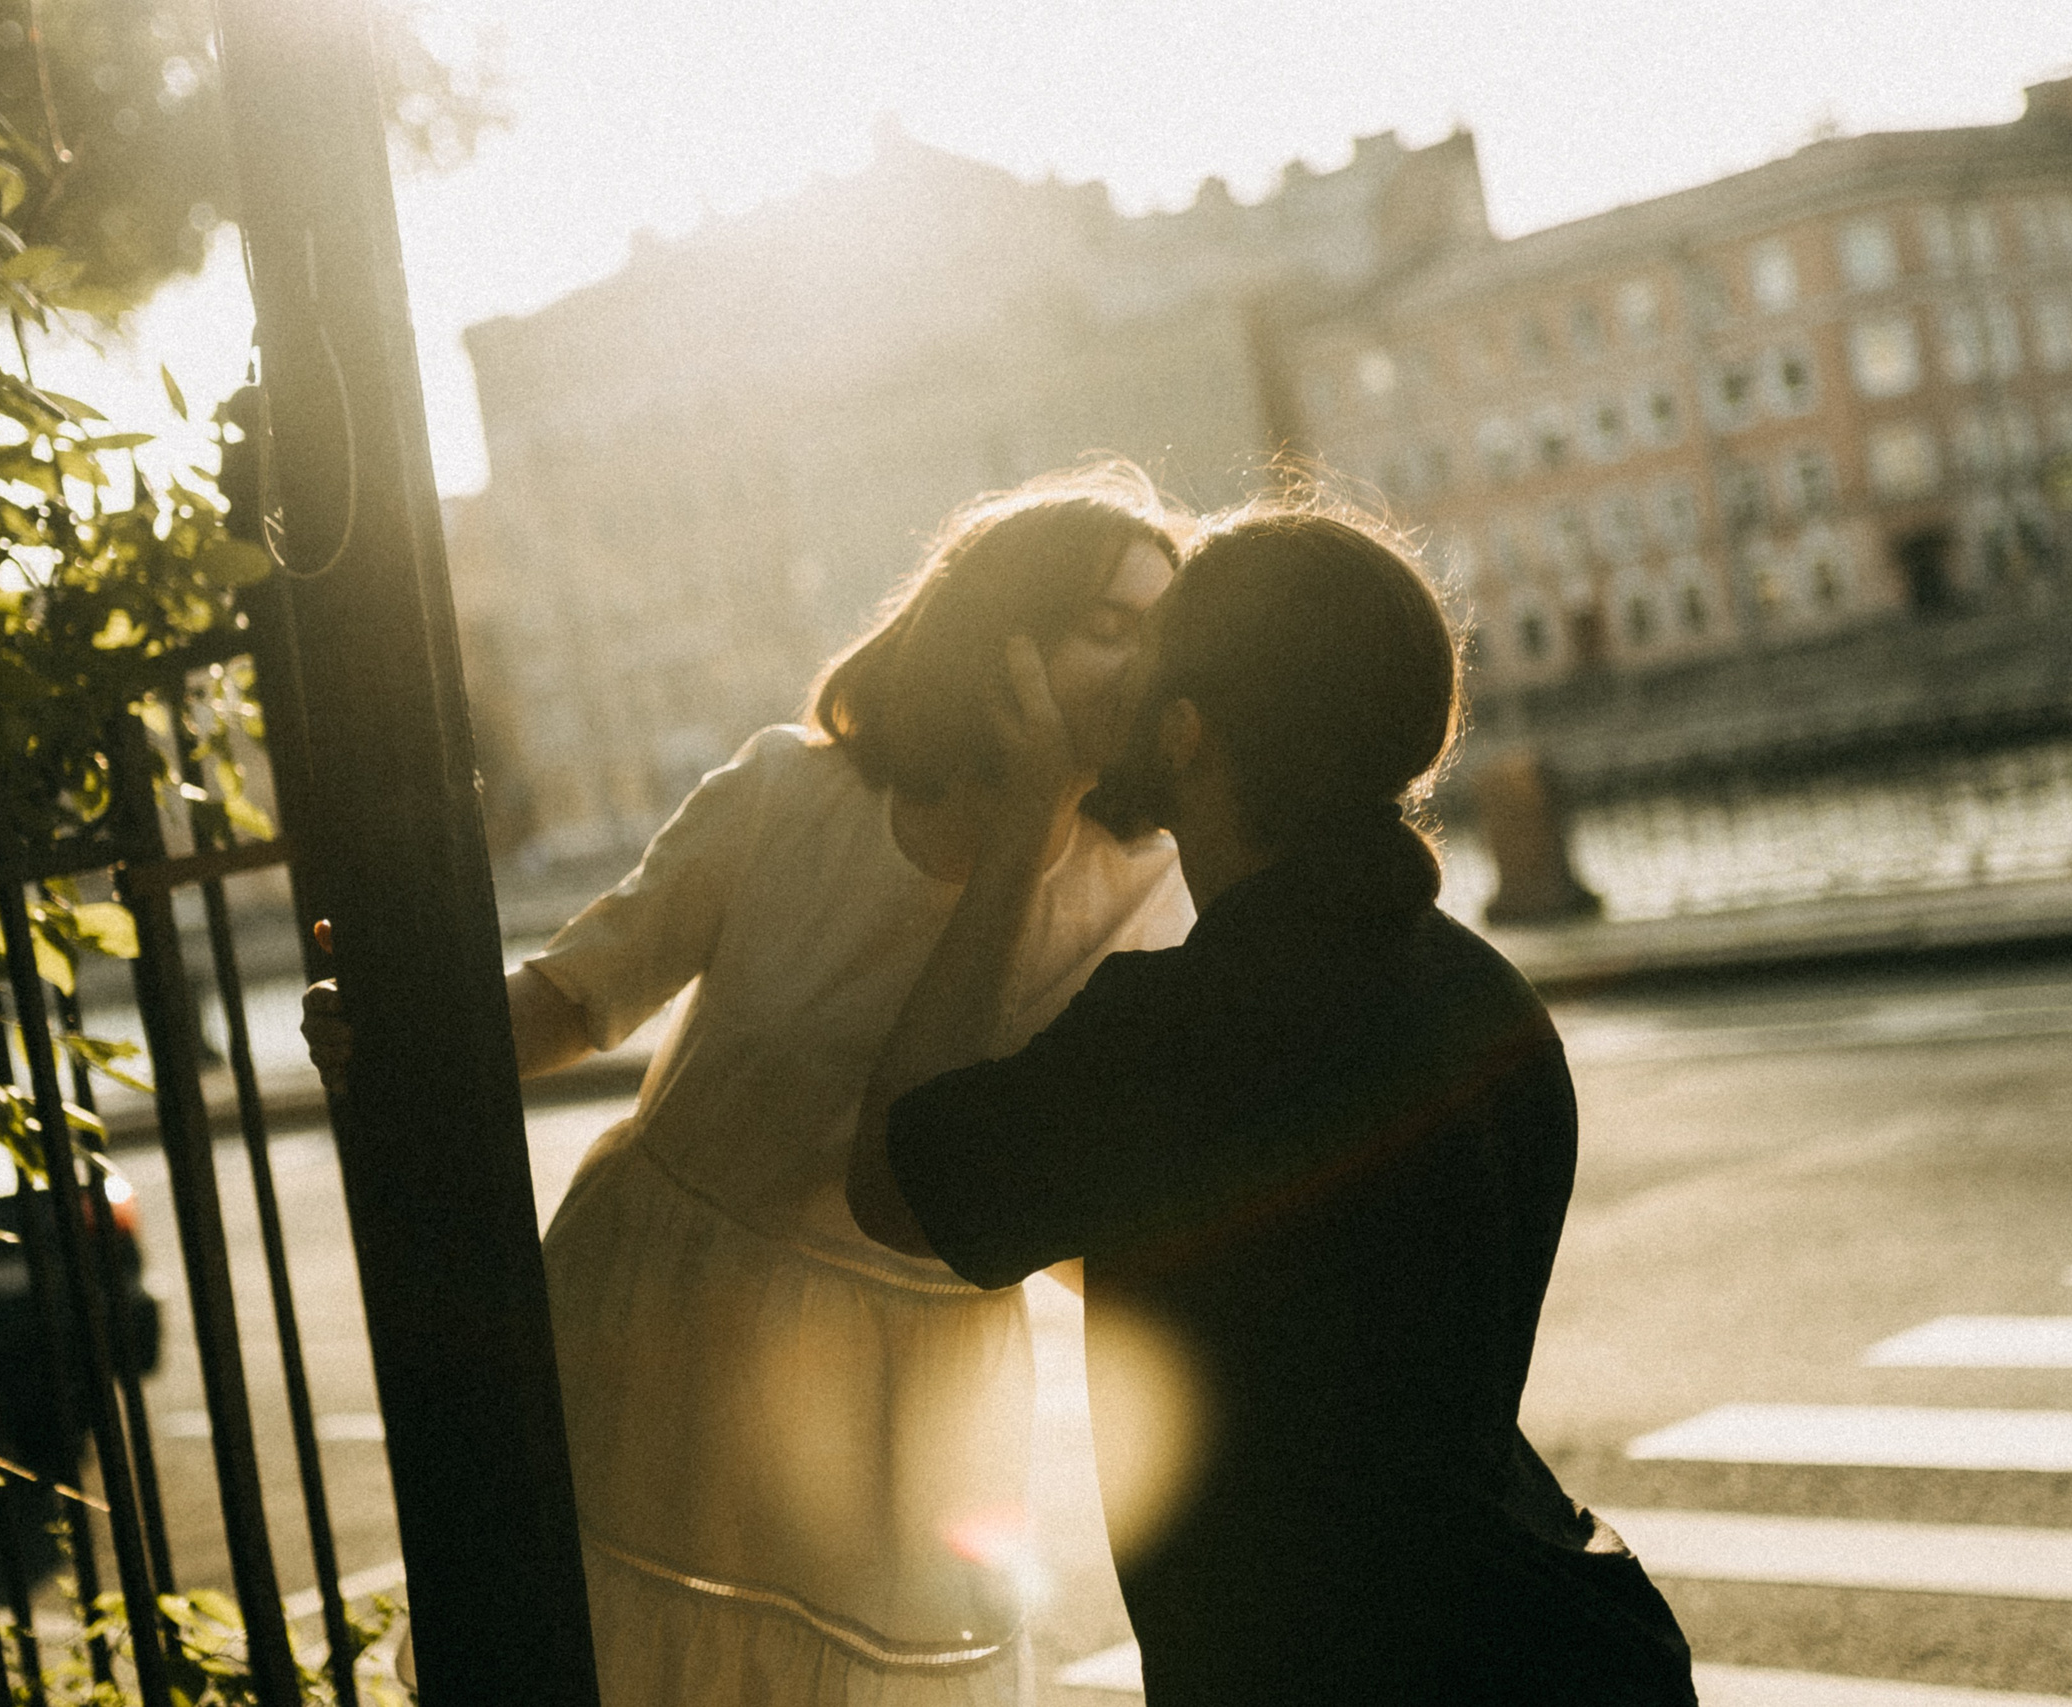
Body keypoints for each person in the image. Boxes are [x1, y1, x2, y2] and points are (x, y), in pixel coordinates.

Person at [305, 465, 1196, 1705]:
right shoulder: (787, 795)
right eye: (1112, 627)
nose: (1148, 665)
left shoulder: (1148, 896)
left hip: (912, 1403)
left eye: (1166, 636)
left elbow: (1063, 1208)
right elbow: (572, 999)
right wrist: (404, 1037)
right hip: (663, 1329)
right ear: (1005, 638)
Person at [847, 498, 1698, 1704]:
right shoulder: (1487, 995)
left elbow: (894, 1182)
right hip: (1557, 1634)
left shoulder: (1183, 1029)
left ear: (1188, 734)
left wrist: (1024, 826)